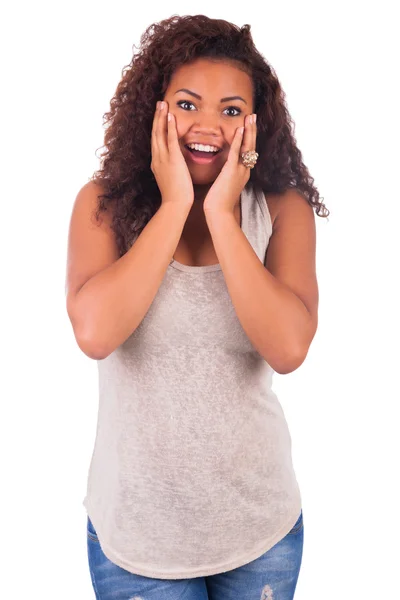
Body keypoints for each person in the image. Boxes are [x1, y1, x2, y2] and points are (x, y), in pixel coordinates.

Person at [65, 13, 328, 600]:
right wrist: (174, 203)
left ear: (256, 124)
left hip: (259, 533)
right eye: (188, 104)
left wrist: (219, 216)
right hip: (138, 541)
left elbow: (288, 348)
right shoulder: (101, 206)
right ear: (156, 109)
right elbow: (96, 333)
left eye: (232, 111)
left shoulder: (281, 210)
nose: (208, 125)